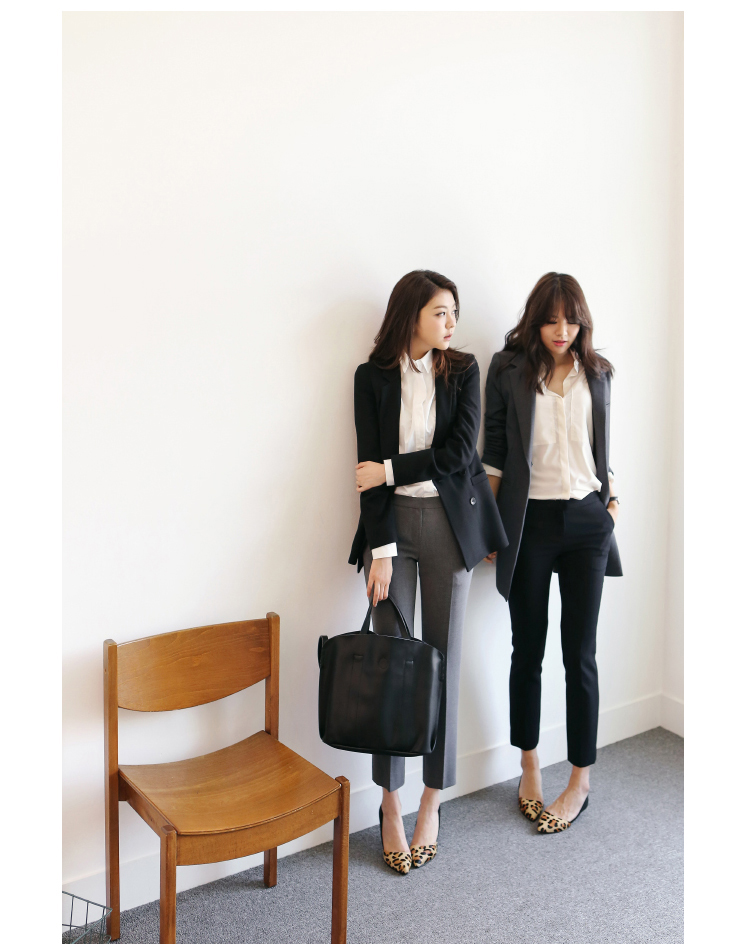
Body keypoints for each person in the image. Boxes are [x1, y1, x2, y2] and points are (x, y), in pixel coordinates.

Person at [350, 270, 507, 873]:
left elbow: (459, 454)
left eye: (454, 313)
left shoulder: (462, 371)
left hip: (449, 527)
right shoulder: (370, 377)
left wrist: (390, 470)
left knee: (443, 662)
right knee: (392, 666)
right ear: (411, 313)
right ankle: (390, 800)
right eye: (441, 312)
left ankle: (432, 799)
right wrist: (380, 550)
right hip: (392, 532)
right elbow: (363, 469)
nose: (451, 323)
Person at [482, 272, 622, 834]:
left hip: (587, 522)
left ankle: (580, 780)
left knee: (580, 655)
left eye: (571, 320)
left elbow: (600, 445)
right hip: (530, 522)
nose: (562, 330)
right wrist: (491, 527)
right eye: (551, 319)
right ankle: (530, 766)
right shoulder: (508, 369)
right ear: (535, 320)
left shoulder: (598, 372)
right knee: (527, 651)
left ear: (582, 321)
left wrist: (611, 502)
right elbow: (494, 450)